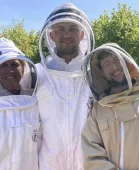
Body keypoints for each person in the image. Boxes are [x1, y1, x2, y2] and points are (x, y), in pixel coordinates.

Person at [36, 3, 95, 170]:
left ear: (82, 34)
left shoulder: (95, 74)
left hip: (87, 162)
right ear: (51, 35)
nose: (67, 34)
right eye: (60, 28)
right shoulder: (37, 74)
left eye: (73, 28)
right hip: (49, 163)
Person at [81, 43, 139, 170]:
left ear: (126, 61)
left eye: (117, 60)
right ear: (102, 72)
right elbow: (90, 152)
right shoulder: (98, 110)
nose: (114, 67)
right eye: (107, 64)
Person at [0, 37, 41, 170]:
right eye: (3, 65)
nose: (10, 70)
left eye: (15, 64)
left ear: (23, 68)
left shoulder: (34, 102)